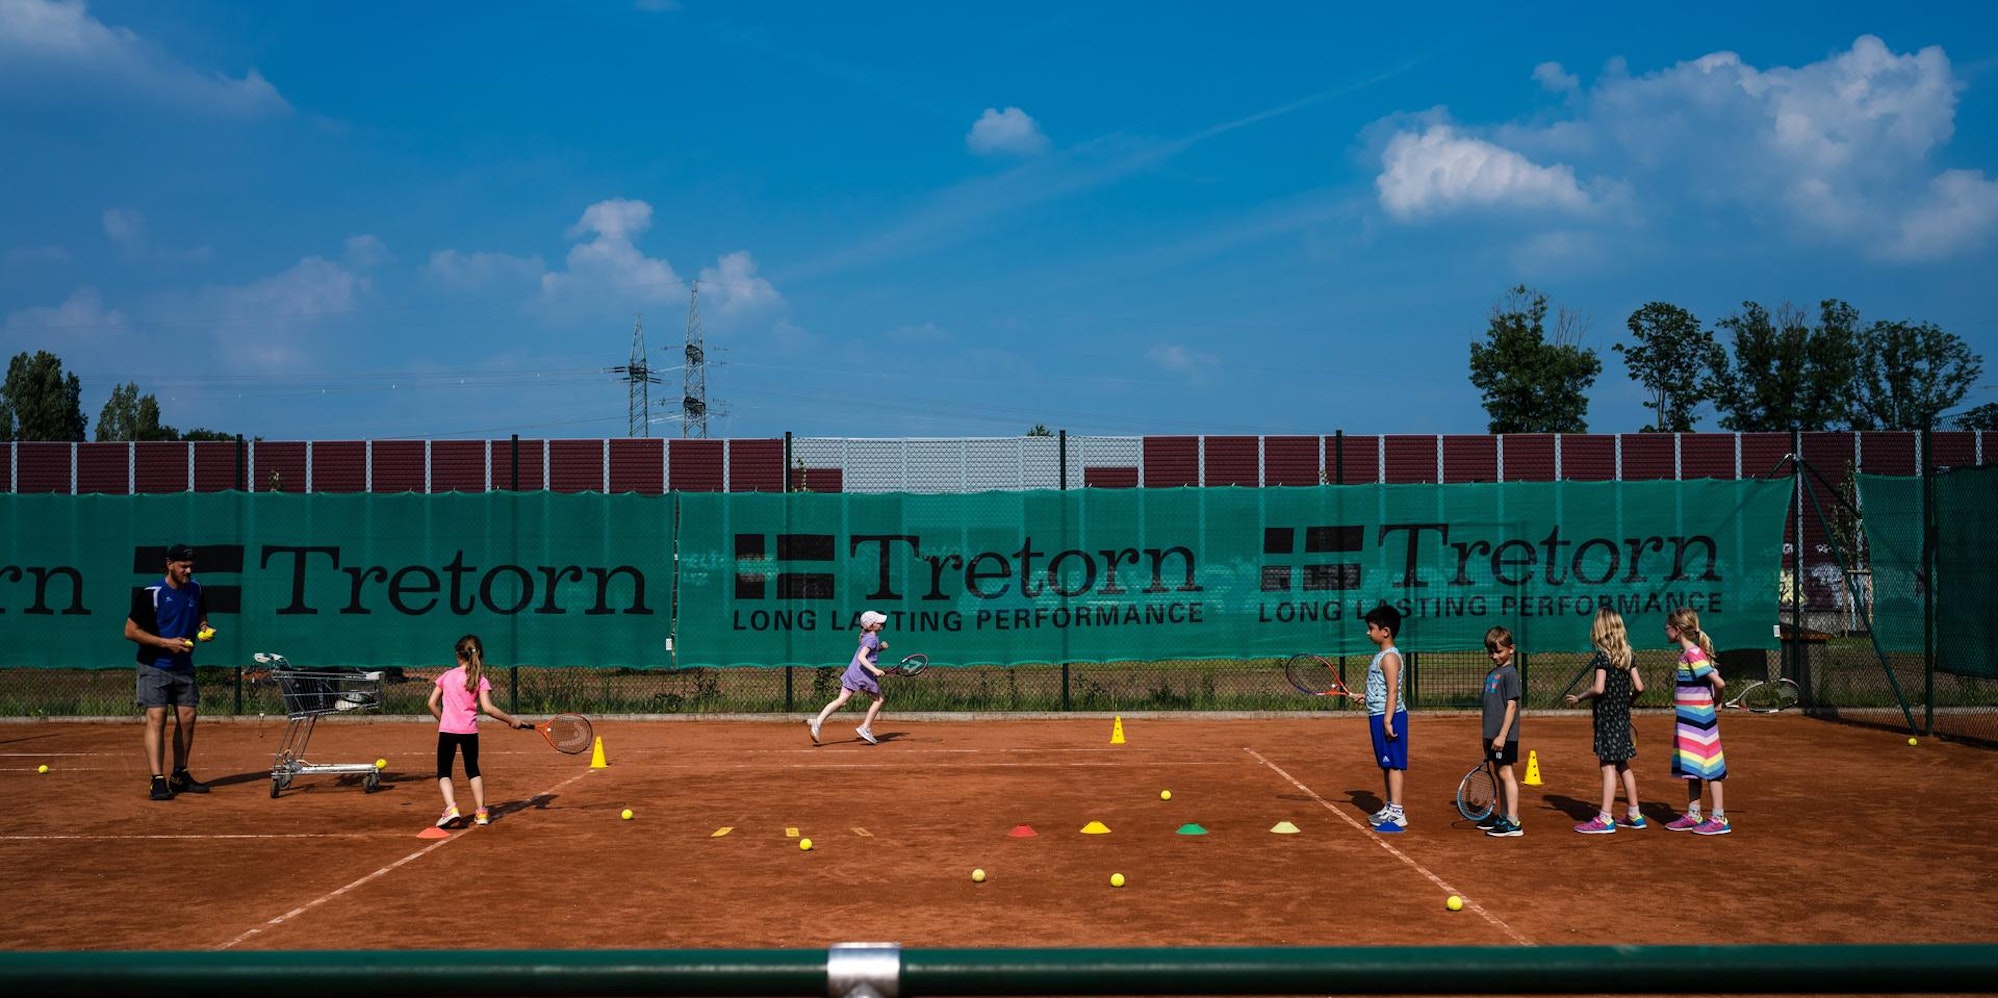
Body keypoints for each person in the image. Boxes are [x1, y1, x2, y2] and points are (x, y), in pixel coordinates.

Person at [125, 543, 211, 801]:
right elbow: (130, 631)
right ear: (169, 564)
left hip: (184, 667)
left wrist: (204, 628)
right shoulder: (152, 593)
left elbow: (200, 614)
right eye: (183, 566)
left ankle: (179, 774)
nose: (188, 571)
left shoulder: (196, 588)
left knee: (187, 718)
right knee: (157, 718)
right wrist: (167, 643)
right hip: (154, 666)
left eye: (191, 566)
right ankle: (157, 780)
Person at [427, 634, 533, 828]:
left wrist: (445, 721)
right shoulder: (480, 679)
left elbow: (431, 703)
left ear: (458, 655)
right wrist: (512, 720)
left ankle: (451, 808)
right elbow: (489, 708)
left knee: (444, 772)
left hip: (448, 731)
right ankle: (482, 812)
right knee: (472, 770)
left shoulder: (447, 676)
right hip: (469, 732)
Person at [1566, 608, 1646, 834]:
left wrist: (1581, 697)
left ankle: (1605, 818)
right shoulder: (1628, 654)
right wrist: (1627, 702)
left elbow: (1599, 688)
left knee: (1607, 765)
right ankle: (1634, 814)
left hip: (1607, 720)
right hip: (1622, 716)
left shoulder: (1603, 656)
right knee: (1623, 765)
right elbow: (1639, 687)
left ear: (1600, 629)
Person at [1664, 607, 1730, 835]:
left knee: (1711, 769)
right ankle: (1694, 814)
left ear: (1678, 630)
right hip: (1689, 724)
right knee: (1693, 768)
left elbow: (1719, 683)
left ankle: (1719, 818)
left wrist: (1717, 701)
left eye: (1667, 627)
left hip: (1700, 724)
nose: (1665, 630)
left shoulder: (1693, 654)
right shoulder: (1687, 654)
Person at [1362, 603, 1409, 833]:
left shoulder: (1390, 657)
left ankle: (1398, 812)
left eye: (1371, 628)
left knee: (1394, 764)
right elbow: (1380, 688)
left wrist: (1388, 720)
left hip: (1389, 717)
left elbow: (1393, 690)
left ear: (1385, 631)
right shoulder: (1381, 655)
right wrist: (1365, 696)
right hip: (1379, 714)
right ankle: (1390, 805)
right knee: (1386, 763)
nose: (1368, 632)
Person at [809, 610, 889, 746]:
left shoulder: (868, 635)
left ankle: (817, 722)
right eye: (878, 621)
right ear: (871, 625)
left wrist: (879, 648)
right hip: (863, 674)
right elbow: (861, 657)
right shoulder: (871, 638)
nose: (882, 623)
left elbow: (868, 652)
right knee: (879, 699)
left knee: (841, 701)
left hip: (854, 672)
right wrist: (875, 670)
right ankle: (865, 728)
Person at [1478, 626, 1523, 837]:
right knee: (1499, 773)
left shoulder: (1510, 673)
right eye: (1491, 652)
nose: (1494, 656)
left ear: (1511, 649)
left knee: (1506, 773)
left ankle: (1513, 822)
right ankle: (1504, 816)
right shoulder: (1493, 673)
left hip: (1503, 736)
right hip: (1492, 735)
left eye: (1499, 651)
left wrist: (1502, 735)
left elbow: (1511, 706)